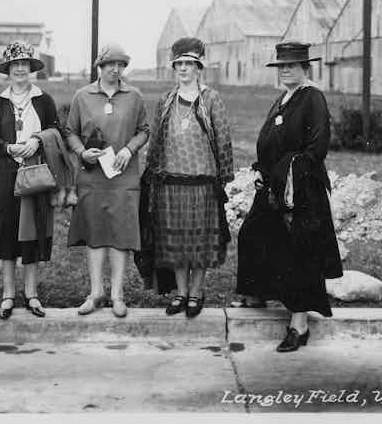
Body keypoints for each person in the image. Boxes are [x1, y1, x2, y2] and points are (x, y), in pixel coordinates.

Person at [236, 41, 343, 351]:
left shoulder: (312, 98)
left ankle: (299, 324)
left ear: (305, 68)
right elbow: (270, 143)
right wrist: (260, 168)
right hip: (273, 185)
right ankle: (260, 292)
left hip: (301, 188)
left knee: (300, 252)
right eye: (281, 66)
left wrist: (289, 174)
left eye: (292, 66)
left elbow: (317, 147)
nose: (285, 70)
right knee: (253, 233)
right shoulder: (282, 99)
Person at [138, 37, 234, 317]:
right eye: (178, 63)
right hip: (171, 183)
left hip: (202, 182)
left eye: (189, 64)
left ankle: (197, 291)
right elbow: (156, 138)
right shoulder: (166, 100)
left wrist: (224, 177)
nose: (183, 69)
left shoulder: (211, 99)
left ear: (199, 67)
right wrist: (152, 174)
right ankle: (181, 293)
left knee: (200, 242)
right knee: (176, 242)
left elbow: (224, 139)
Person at [64, 44, 149, 318]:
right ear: (99, 67)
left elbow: (144, 130)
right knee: (95, 231)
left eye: (120, 64)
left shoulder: (134, 96)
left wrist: (128, 149)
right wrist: (82, 152)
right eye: (110, 64)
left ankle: (117, 294)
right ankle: (96, 292)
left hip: (124, 176)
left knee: (120, 232)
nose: (115, 69)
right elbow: (70, 132)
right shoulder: (82, 96)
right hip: (92, 176)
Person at [0, 40, 60, 319]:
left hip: (36, 171)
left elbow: (56, 130)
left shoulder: (43, 99)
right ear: (8, 69)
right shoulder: (0, 101)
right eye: (15, 65)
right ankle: (7, 295)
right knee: (6, 230)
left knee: (32, 231)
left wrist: (37, 141)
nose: (20, 69)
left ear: (31, 68)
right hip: (5, 173)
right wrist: (7, 148)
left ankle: (32, 294)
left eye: (24, 64)